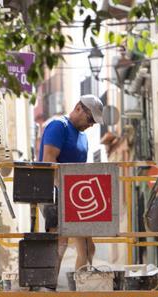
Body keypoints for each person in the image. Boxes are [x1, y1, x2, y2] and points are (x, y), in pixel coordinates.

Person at [39, 94, 104, 286]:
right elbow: (48, 163)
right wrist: (66, 193)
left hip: (75, 196)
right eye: (90, 119)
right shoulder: (59, 126)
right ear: (78, 108)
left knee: (88, 247)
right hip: (55, 193)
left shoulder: (83, 138)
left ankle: (82, 289)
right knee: (61, 244)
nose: (91, 124)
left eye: (94, 122)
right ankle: (50, 289)